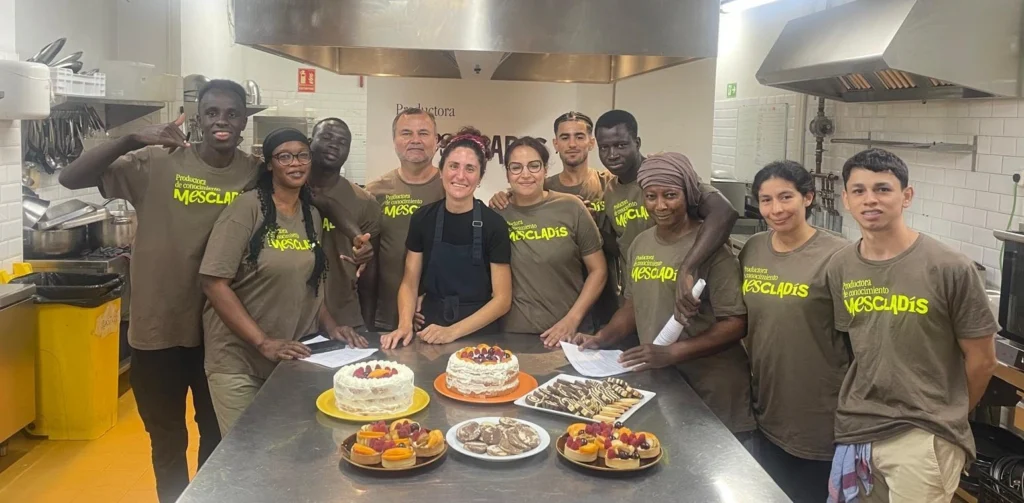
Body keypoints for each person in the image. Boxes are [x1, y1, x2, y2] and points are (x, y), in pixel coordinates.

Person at [57, 79, 254, 503]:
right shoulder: (155, 161)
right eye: (213, 112)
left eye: (232, 113)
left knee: (219, 434)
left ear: (243, 122)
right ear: (199, 118)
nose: (222, 120)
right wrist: (127, 139)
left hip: (220, 332)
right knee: (166, 440)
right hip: (156, 331)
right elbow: (70, 179)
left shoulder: (253, 174)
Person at [826, 148, 998, 502]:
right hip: (860, 428)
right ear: (845, 199)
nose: (870, 199)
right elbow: (859, 344)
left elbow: (983, 360)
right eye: (858, 190)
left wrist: (947, 414)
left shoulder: (949, 267)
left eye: (883, 189)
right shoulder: (841, 266)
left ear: (906, 196)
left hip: (923, 436)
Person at [573, 153, 755, 438]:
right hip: (667, 385)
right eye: (651, 196)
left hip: (713, 392)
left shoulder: (711, 249)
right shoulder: (641, 243)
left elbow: (735, 323)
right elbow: (635, 305)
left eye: (670, 195)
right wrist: (603, 337)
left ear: (688, 195)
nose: (660, 205)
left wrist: (674, 352)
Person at [199, 128, 368, 434]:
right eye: (285, 156)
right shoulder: (247, 208)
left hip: (289, 358)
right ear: (269, 164)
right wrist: (262, 342)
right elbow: (213, 282)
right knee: (246, 455)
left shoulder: (310, 216)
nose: (295, 163)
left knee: (286, 450)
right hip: (239, 362)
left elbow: (308, 285)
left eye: (302, 155)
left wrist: (332, 327)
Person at [739, 161, 849, 502]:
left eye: (786, 197)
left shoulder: (839, 256)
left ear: (808, 198)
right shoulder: (753, 249)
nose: (776, 209)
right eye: (766, 199)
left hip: (818, 415)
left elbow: (861, 341)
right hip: (766, 406)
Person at [594, 110, 739, 323]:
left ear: (637, 142)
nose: (612, 154)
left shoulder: (665, 174)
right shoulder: (611, 192)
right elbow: (622, 245)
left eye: (621, 145)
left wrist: (687, 269)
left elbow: (724, 212)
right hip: (641, 301)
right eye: (604, 148)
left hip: (683, 294)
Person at [380, 127, 512, 349]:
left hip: (480, 336)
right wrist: (404, 325)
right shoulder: (423, 219)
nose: (460, 176)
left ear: (479, 177)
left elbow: (502, 300)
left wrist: (452, 332)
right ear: (441, 171)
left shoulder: (494, 225)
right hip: (429, 332)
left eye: (470, 169)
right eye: (453, 166)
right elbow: (409, 283)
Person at [489, 111, 619, 326]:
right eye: (516, 168)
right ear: (556, 143)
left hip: (594, 307)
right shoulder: (500, 210)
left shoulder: (606, 186)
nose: (526, 174)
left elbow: (599, 269)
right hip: (518, 326)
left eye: (579, 136)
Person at [365, 108, 446, 331]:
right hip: (387, 318)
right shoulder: (375, 191)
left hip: (438, 316)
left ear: (436, 140)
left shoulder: (452, 187)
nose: (415, 140)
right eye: (406, 133)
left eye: (423, 133)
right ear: (394, 140)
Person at [307, 117, 382, 330]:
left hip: (345, 319)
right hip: (293, 320)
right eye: (327, 137)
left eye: (343, 142)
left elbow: (369, 272)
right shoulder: (287, 189)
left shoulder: (364, 202)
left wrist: (367, 327)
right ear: (310, 141)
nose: (334, 145)